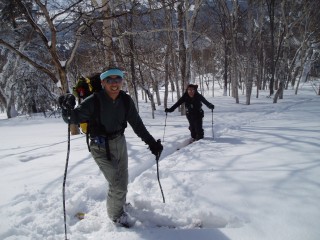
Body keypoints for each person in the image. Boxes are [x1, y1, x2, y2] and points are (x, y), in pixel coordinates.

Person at [59, 67, 163, 228]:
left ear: (122, 81)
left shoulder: (126, 100)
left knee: (123, 179)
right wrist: (65, 108)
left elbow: (137, 125)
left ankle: (119, 204)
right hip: (100, 147)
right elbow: (73, 118)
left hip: (119, 142)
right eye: (109, 80)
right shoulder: (94, 101)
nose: (114, 84)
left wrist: (152, 143)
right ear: (103, 82)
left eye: (118, 79)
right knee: (117, 183)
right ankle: (116, 217)